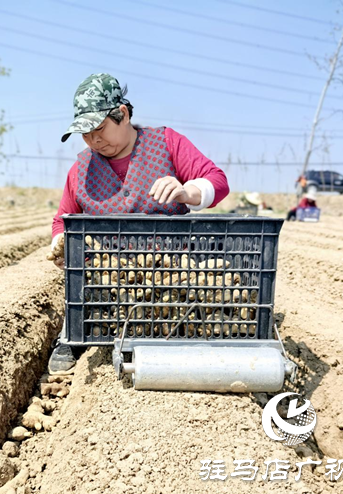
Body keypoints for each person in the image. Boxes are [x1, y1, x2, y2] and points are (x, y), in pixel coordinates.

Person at [48, 73, 230, 374]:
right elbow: (62, 219)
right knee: (86, 288)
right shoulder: (80, 169)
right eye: (85, 133)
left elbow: (217, 182)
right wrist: (59, 242)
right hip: (108, 280)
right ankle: (75, 331)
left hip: (171, 275)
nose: (93, 139)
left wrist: (188, 192)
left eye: (99, 128)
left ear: (123, 113)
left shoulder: (167, 143)